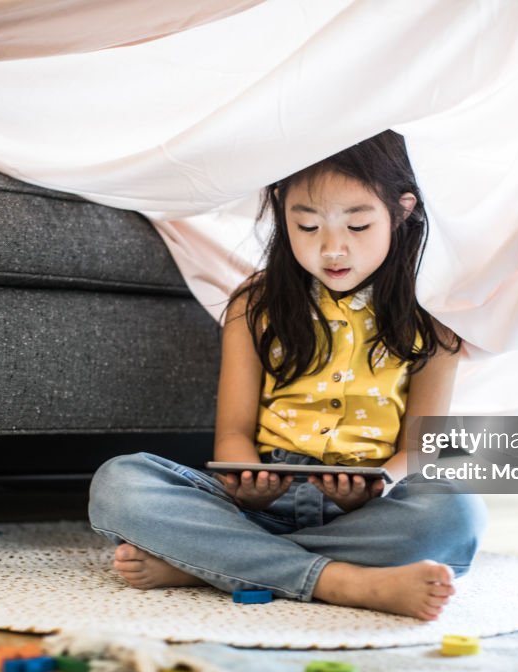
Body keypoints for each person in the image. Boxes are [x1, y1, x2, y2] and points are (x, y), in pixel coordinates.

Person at [88, 131, 487, 621]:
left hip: (366, 507)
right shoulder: (255, 305)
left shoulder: (433, 316)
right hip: (259, 502)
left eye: (358, 226)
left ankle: (211, 563)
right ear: (281, 209)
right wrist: (245, 482)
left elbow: (421, 450)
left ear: (401, 212)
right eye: (308, 226)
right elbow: (233, 434)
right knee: (119, 483)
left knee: (458, 513)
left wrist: (379, 484)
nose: (333, 249)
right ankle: (342, 581)